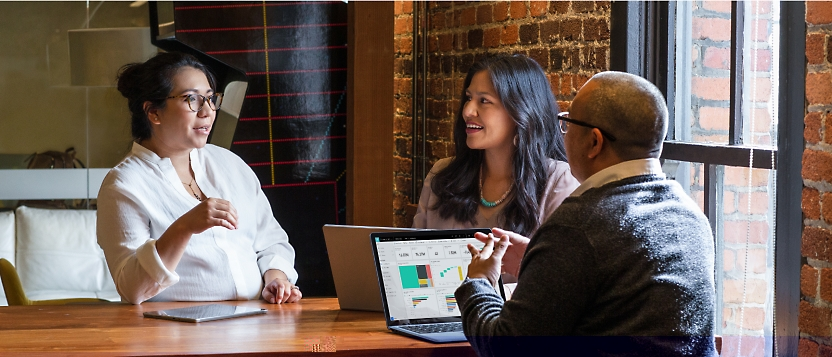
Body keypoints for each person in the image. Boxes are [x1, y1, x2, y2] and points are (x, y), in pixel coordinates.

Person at [456, 71, 717, 356]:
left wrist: (479, 283)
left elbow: (506, 348)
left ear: (594, 142)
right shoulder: (691, 216)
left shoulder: (577, 227)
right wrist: (539, 265)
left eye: (568, 123)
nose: (563, 135)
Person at [97, 52, 301, 305]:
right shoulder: (123, 185)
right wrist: (184, 227)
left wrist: (276, 278)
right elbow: (132, 288)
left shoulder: (229, 164)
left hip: (255, 324)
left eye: (210, 98)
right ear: (153, 112)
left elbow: (271, 241)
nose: (207, 111)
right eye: (191, 99)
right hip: (176, 334)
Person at [412, 54, 578, 245]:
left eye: (484, 101)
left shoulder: (558, 182)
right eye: (468, 98)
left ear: (521, 111)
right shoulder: (442, 175)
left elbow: (562, 269)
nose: (467, 111)